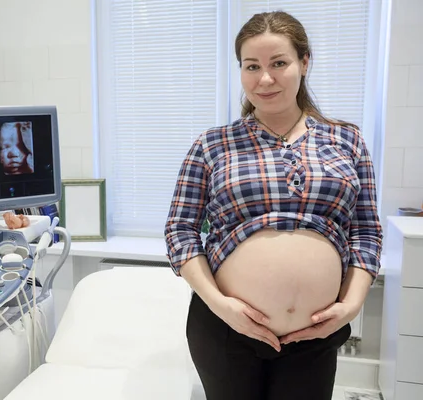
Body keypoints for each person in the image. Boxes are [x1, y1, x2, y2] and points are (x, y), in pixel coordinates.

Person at [164, 11, 383, 400]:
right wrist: (220, 304)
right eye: (252, 66)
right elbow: (180, 232)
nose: (265, 79)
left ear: (304, 62)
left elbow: (366, 231)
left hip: (316, 334)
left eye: (278, 63)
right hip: (226, 330)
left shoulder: (346, 140)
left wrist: (351, 305)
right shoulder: (212, 145)